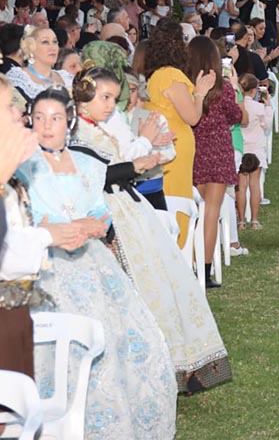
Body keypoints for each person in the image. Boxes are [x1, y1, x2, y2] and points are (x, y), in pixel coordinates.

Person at [19, 86, 177, 438]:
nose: (47, 126)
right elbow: (19, 219)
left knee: (125, 337)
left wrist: (95, 224)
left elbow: (100, 213)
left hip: (91, 261)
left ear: (69, 122)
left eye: (55, 118)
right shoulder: (22, 165)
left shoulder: (88, 164)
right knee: (56, 346)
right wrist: (52, 228)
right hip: (44, 263)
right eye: (40, 118)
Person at [71, 67, 232, 391]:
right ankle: (133, 372)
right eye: (104, 97)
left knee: (162, 284)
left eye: (112, 98)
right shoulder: (78, 132)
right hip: (107, 211)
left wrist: (148, 147)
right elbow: (97, 173)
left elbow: (125, 160)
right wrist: (142, 151)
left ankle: (167, 366)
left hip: (129, 208)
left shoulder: (103, 127)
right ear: (83, 97)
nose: (109, 104)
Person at [0, 74, 103, 378]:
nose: (19, 113)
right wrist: (47, 234)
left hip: (16, 309)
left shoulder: (12, 175)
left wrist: (50, 236)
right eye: (8, 106)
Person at [144, 19, 215, 248]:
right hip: (175, 145)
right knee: (176, 199)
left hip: (167, 143)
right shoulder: (172, 76)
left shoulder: (155, 75)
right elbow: (192, 117)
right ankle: (181, 253)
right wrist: (201, 92)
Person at [187, 36, 242, 287]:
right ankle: (205, 270)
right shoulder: (223, 88)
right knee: (211, 212)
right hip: (218, 152)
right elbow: (236, 115)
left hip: (193, 153)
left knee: (194, 213)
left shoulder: (186, 87)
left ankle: (189, 262)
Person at [237, 73, 273, 228]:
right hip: (256, 149)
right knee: (254, 186)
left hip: (242, 148)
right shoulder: (258, 108)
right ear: (254, 91)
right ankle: (254, 219)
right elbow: (267, 124)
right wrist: (268, 106)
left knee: (241, 186)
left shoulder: (238, 107)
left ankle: (241, 220)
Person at [7, 27, 68, 102]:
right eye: (45, 42)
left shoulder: (66, 77)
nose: (53, 48)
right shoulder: (19, 79)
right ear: (31, 47)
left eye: (55, 42)